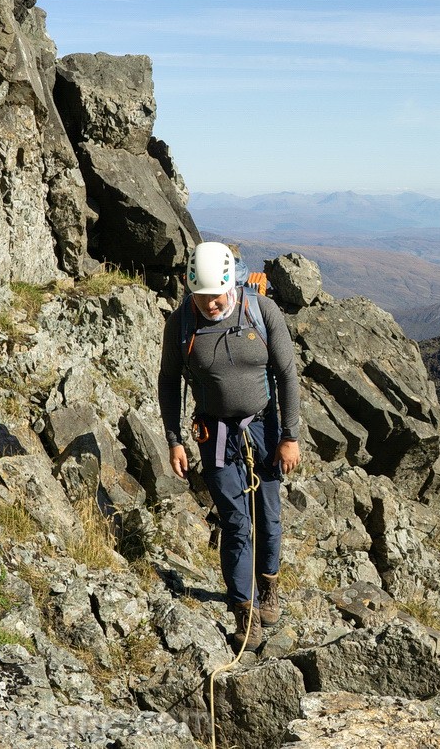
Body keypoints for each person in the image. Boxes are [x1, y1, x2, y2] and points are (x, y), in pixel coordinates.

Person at [157, 241, 302, 649]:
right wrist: (174, 439)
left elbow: (288, 376)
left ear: (231, 284)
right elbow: (169, 382)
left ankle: (269, 585)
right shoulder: (181, 323)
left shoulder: (261, 311)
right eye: (200, 297)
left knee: (269, 517)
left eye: (215, 296)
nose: (209, 305)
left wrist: (289, 437)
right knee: (237, 524)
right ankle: (246, 613)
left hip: (264, 429)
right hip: (215, 435)